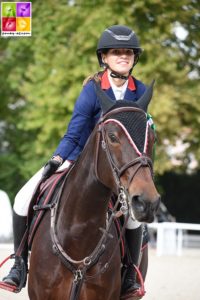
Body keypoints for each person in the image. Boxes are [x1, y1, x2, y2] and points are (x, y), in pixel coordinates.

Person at [3, 25, 149, 299]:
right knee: (22, 198)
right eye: (116, 52)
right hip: (80, 160)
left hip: (118, 168)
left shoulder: (139, 91)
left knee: (132, 217)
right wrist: (56, 159)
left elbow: (138, 134)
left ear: (134, 58)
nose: (123, 56)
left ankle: (130, 274)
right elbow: (75, 131)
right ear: (104, 57)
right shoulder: (93, 90)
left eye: (128, 52)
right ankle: (19, 264)